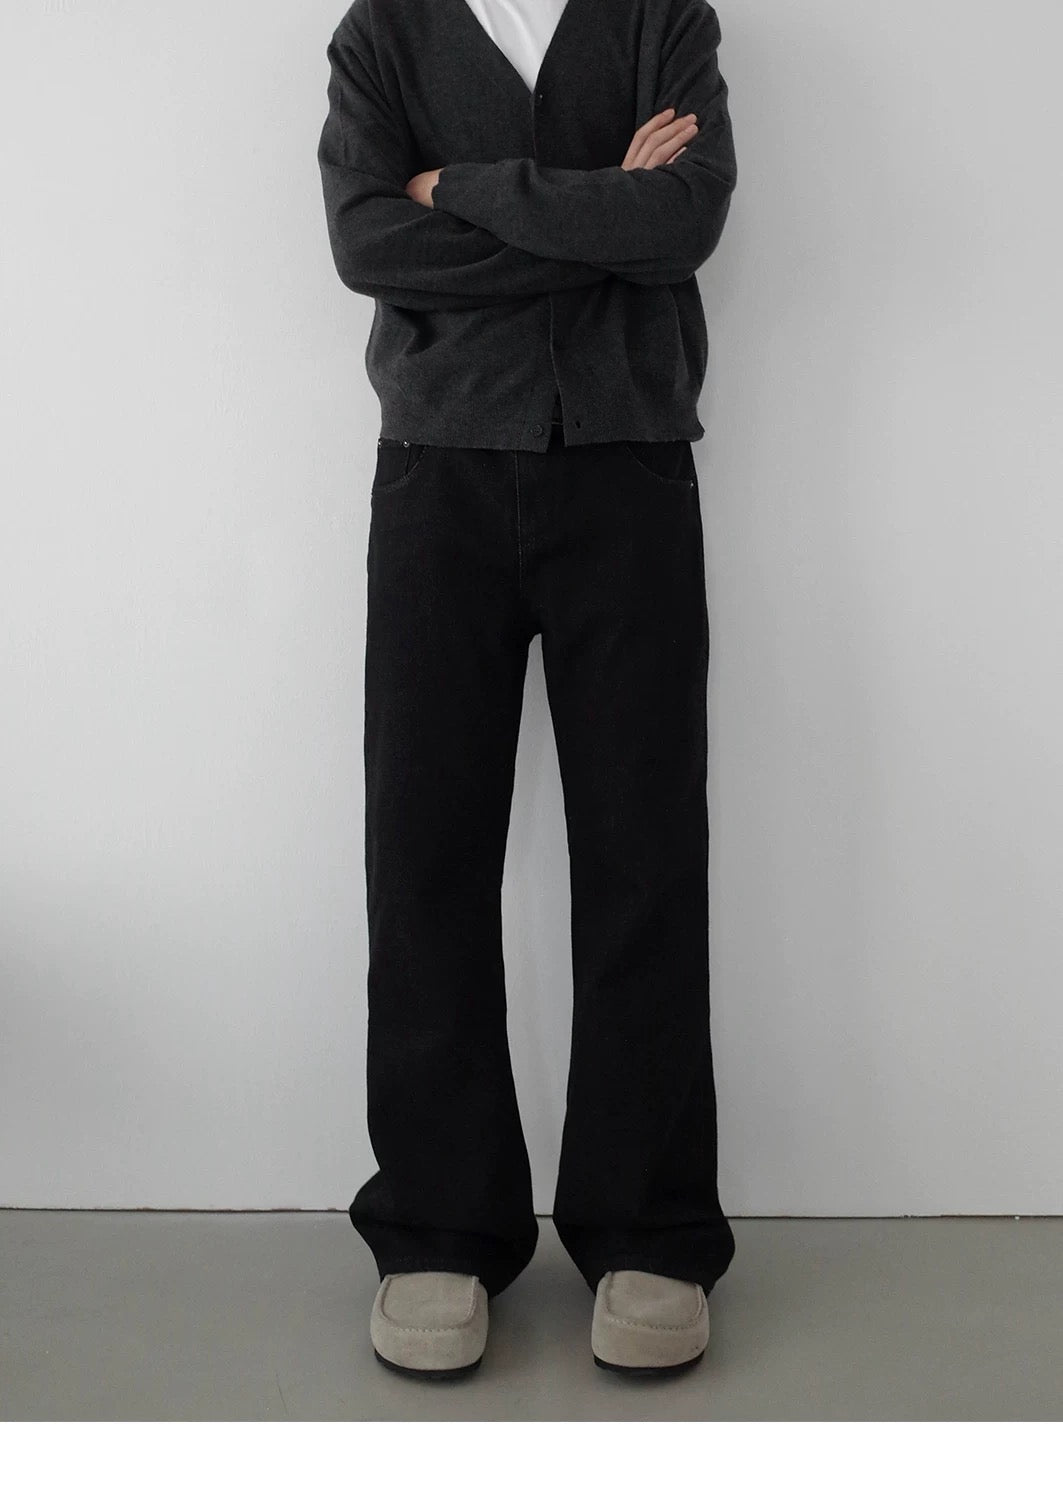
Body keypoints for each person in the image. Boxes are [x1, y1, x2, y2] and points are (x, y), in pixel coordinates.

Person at [316, 0, 738, 1380]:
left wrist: (464, 191)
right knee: (424, 854)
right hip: (437, 476)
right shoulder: (385, 30)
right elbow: (367, 242)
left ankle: (650, 1228)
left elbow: (683, 220)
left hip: (629, 466)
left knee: (646, 853)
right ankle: (438, 1225)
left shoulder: (662, 15)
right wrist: (599, 207)